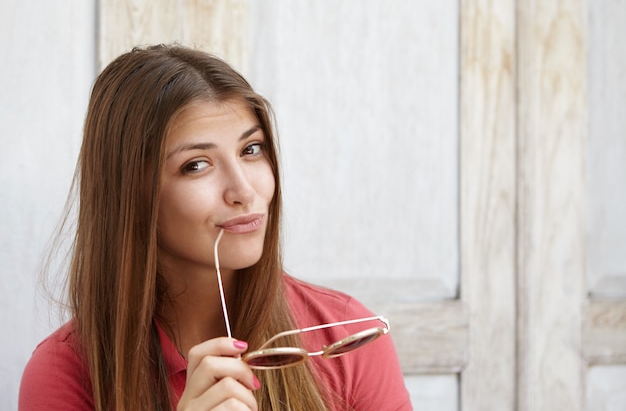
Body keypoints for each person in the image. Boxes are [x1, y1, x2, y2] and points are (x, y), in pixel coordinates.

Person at [18, 44, 412, 411]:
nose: (244, 191)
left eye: (251, 150)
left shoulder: (345, 337)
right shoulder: (64, 372)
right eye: (196, 165)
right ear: (132, 196)